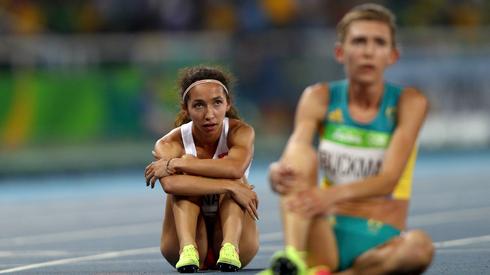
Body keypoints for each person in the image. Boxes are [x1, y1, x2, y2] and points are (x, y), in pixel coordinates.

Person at [261, 4, 434, 275]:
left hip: (379, 242)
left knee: (420, 247)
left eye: (378, 43)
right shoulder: (318, 97)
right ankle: (292, 257)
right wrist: (277, 171)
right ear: (340, 52)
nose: (368, 51)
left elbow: (389, 179)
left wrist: (327, 195)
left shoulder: (409, 102)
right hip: (325, 231)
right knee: (299, 157)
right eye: (359, 41)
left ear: (392, 55)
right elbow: (297, 148)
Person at [144, 66, 259, 273]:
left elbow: (234, 169)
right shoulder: (170, 142)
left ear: (228, 104)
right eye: (199, 105)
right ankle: (188, 248)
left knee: (235, 178)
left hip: (237, 241)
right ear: (185, 108)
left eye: (217, 103)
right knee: (199, 184)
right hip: (180, 244)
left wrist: (178, 163)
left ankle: (229, 248)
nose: (209, 114)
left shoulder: (240, 132)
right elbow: (170, 185)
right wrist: (230, 187)